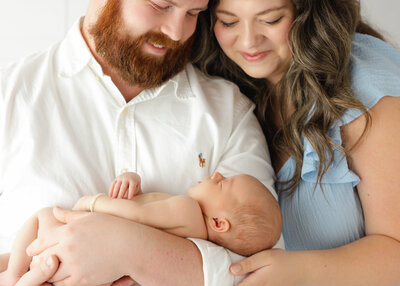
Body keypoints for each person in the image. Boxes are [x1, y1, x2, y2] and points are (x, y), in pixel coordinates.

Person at [0, 0, 278, 285]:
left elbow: (261, 268)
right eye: (161, 5)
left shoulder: (229, 113)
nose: (176, 32)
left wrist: (132, 250)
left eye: (193, 14)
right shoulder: (9, 95)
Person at [193, 0, 400, 285]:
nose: (249, 41)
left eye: (271, 20)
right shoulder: (224, 86)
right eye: (228, 22)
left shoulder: (367, 88)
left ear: (308, 13)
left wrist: (298, 271)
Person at [0, 171, 282, 285]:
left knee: (44, 216)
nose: (217, 174)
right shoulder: (189, 229)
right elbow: (148, 211)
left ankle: (12, 274)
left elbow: (137, 213)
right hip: (95, 261)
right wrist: (132, 183)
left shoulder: (188, 209)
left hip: (77, 232)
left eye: (223, 183)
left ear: (220, 223)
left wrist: (95, 203)